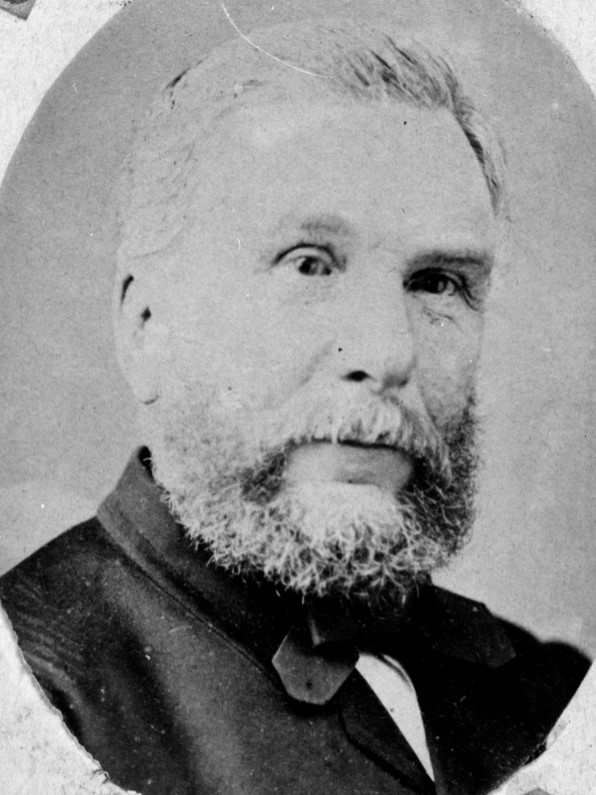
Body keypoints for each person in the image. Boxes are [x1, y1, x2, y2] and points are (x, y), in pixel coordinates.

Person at [0, 19, 589, 795]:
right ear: (147, 326)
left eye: (438, 282)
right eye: (309, 264)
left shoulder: (552, 693)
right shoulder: (36, 692)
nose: (388, 352)